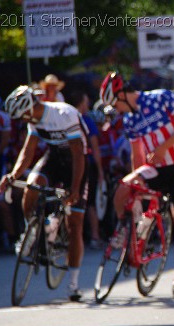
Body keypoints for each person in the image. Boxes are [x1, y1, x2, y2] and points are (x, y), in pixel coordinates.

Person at [99, 71, 174, 298]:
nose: (116, 110)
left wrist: (163, 148)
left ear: (122, 94)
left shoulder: (161, 98)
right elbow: (137, 156)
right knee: (123, 187)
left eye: (115, 104)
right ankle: (126, 228)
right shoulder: (130, 119)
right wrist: (137, 183)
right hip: (154, 169)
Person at [0, 86, 88, 301]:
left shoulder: (64, 114)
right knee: (32, 186)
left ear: (28, 110)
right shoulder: (33, 121)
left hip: (78, 163)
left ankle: (73, 284)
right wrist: (12, 175)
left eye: (21, 116)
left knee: (74, 224)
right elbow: (28, 150)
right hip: (54, 157)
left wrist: (74, 188)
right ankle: (33, 230)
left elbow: (78, 155)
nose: (21, 121)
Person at [68, 90, 105, 249]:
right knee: (89, 202)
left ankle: (71, 236)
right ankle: (95, 236)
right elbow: (95, 148)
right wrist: (100, 170)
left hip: (69, 164)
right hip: (86, 165)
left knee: (70, 199)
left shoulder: (67, 119)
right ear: (82, 103)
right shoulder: (87, 121)